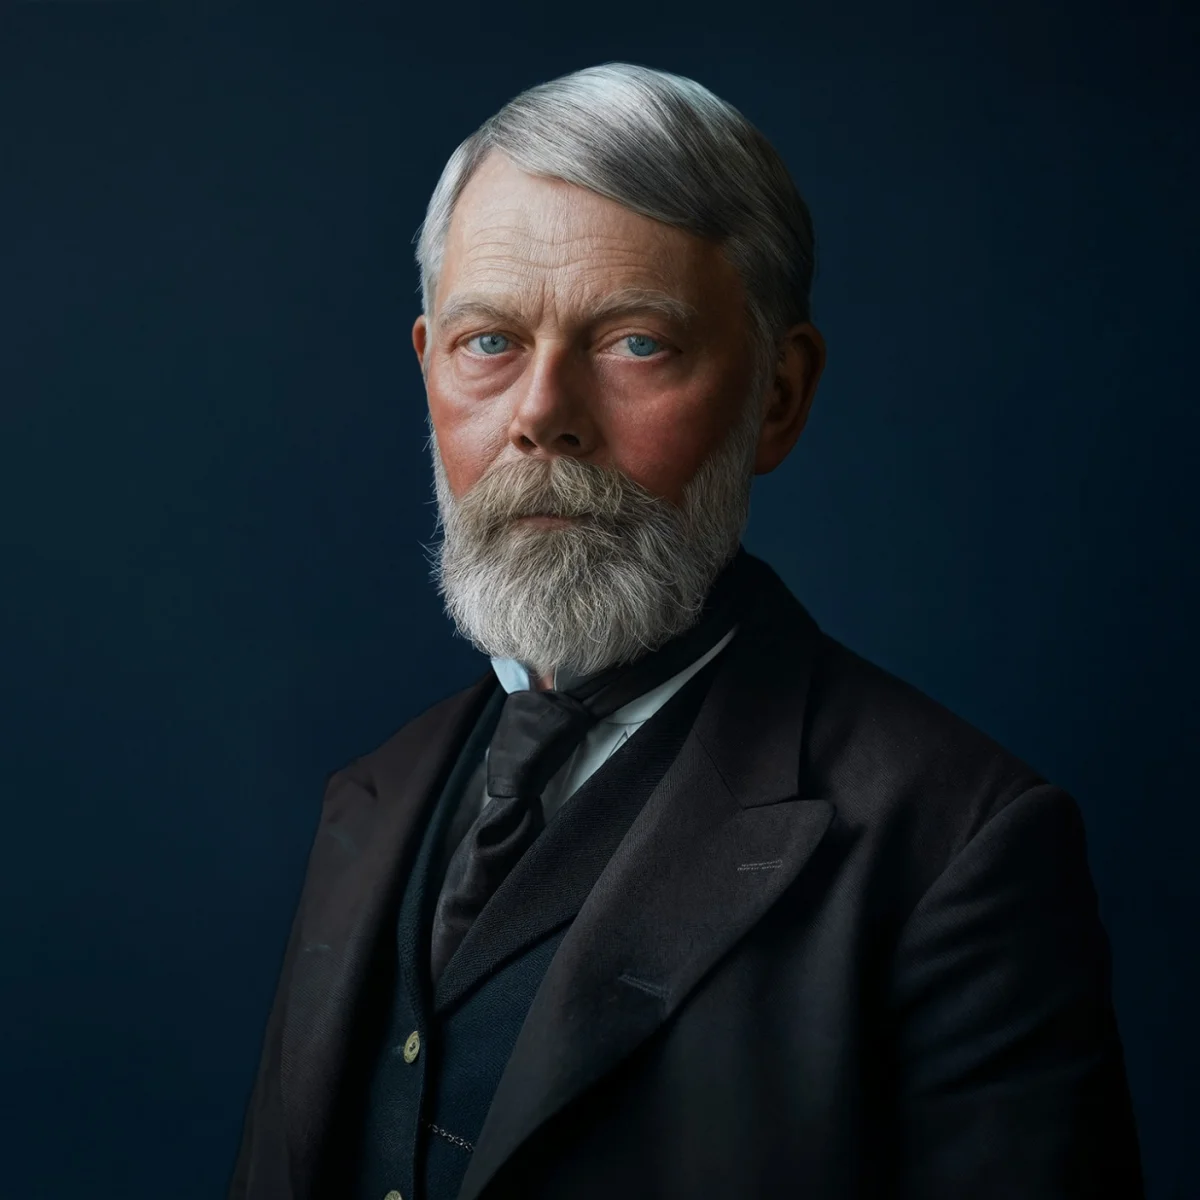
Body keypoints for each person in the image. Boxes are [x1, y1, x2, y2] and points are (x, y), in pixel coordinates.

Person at [228, 62, 1144, 1200]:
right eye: (491, 342)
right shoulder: (372, 798)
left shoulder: (958, 851)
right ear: (429, 371)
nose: (542, 417)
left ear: (778, 396)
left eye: (635, 343)